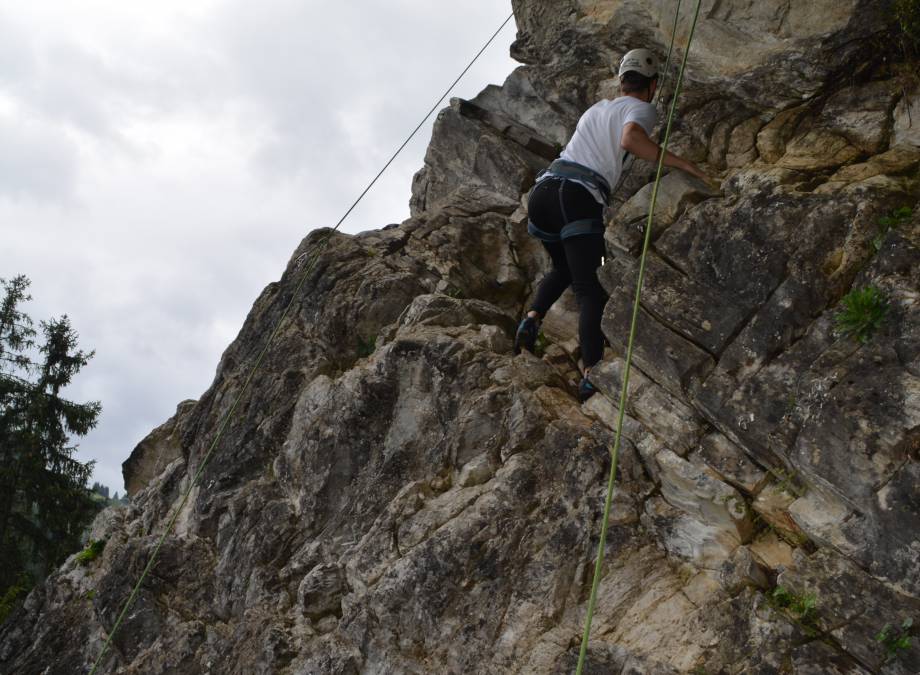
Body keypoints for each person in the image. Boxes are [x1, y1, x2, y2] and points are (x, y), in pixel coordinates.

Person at [513, 48, 708, 402]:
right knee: (590, 290)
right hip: (577, 196)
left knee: (564, 268)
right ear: (650, 86)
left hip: (544, 192)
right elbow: (631, 139)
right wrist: (685, 165)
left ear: (621, 81)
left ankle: (532, 317)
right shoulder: (642, 107)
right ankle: (590, 372)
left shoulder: (597, 108)